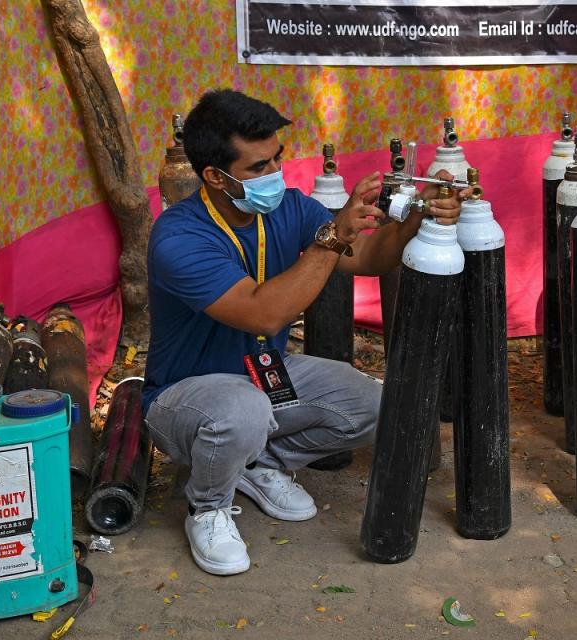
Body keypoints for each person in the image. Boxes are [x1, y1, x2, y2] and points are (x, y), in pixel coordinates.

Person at [142, 88, 464, 576]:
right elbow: (263, 315)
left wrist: (419, 213)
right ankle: (207, 506)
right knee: (241, 409)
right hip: (184, 397)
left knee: (379, 405)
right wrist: (334, 236)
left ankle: (256, 465)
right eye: (258, 168)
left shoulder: (289, 208)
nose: (275, 176)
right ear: (214, 176)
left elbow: (370, 259)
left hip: (263, 373)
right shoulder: (178, 236)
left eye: (278, 159)